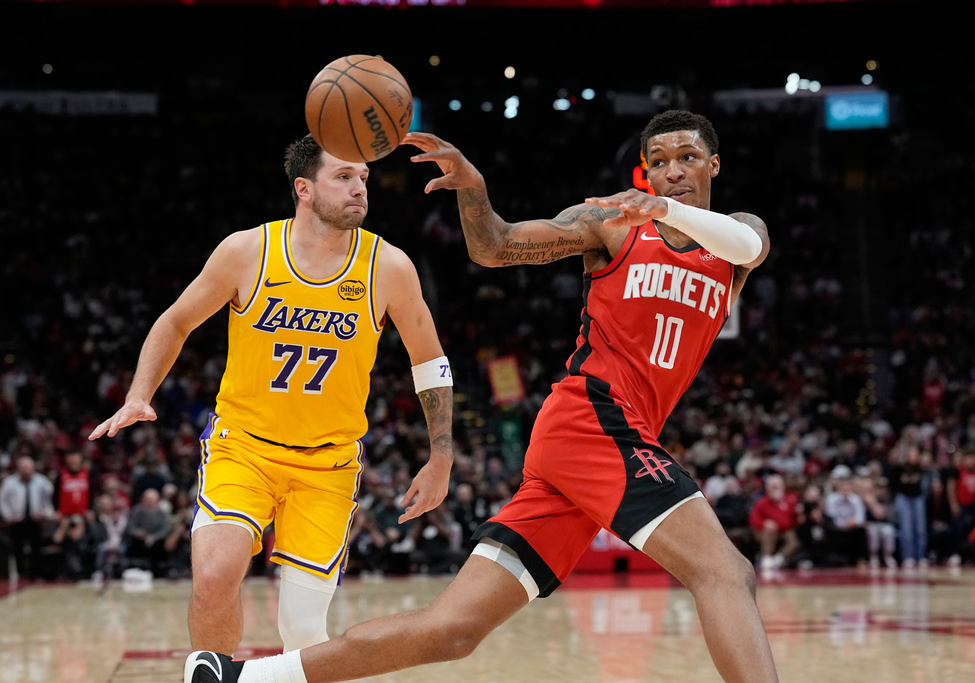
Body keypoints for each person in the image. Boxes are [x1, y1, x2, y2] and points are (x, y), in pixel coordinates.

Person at [185, 110, 779, 683]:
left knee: (453, 631)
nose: (672, 170)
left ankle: (240, 679)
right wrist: (474, 190)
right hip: (592, 421)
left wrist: (669, 209)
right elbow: (495, 247)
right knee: (726, 571)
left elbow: (747, 246)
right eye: (659, 161)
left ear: (713, 165)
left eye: (687, 157)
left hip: (598, 446)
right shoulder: (614, 224)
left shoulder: (737, 236)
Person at [88, 135, 454, 657]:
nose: (359, 188)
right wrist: (138, 394)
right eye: (343, 177)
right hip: (244, 448)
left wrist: (441, 456)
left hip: (327, 464)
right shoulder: (247, 252)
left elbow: (430, 362)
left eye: (363, 178)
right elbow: (175, 321)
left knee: (303, 631)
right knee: (213, 578)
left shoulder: (388, 266)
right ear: (304, 188)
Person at [0, 455, 55, 579]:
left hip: (36, 520)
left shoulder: (42, 482)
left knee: (36, 547)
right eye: (23, 468)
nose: (26, 471)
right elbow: (1, 501)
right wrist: (8, 516)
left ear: (33, 468)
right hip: (16, 521)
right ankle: (21, 574)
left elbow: (50, 499)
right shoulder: (9, 483)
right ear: (18, 469)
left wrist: (44, 512)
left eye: (28, 468)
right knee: (17, 548)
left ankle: (35, 574)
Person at [748, 474, 800, 571]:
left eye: (777, 487)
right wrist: (765, 523)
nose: (775, 490)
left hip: (784, 531)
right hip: (765, 532)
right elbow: (753, 519)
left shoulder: (788, 501)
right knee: (769, 530)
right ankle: (766, 557)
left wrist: (798, 514)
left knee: (794, 539)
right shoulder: (761, 502)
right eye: (773, 487)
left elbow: (793, 520)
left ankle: (779, 558)